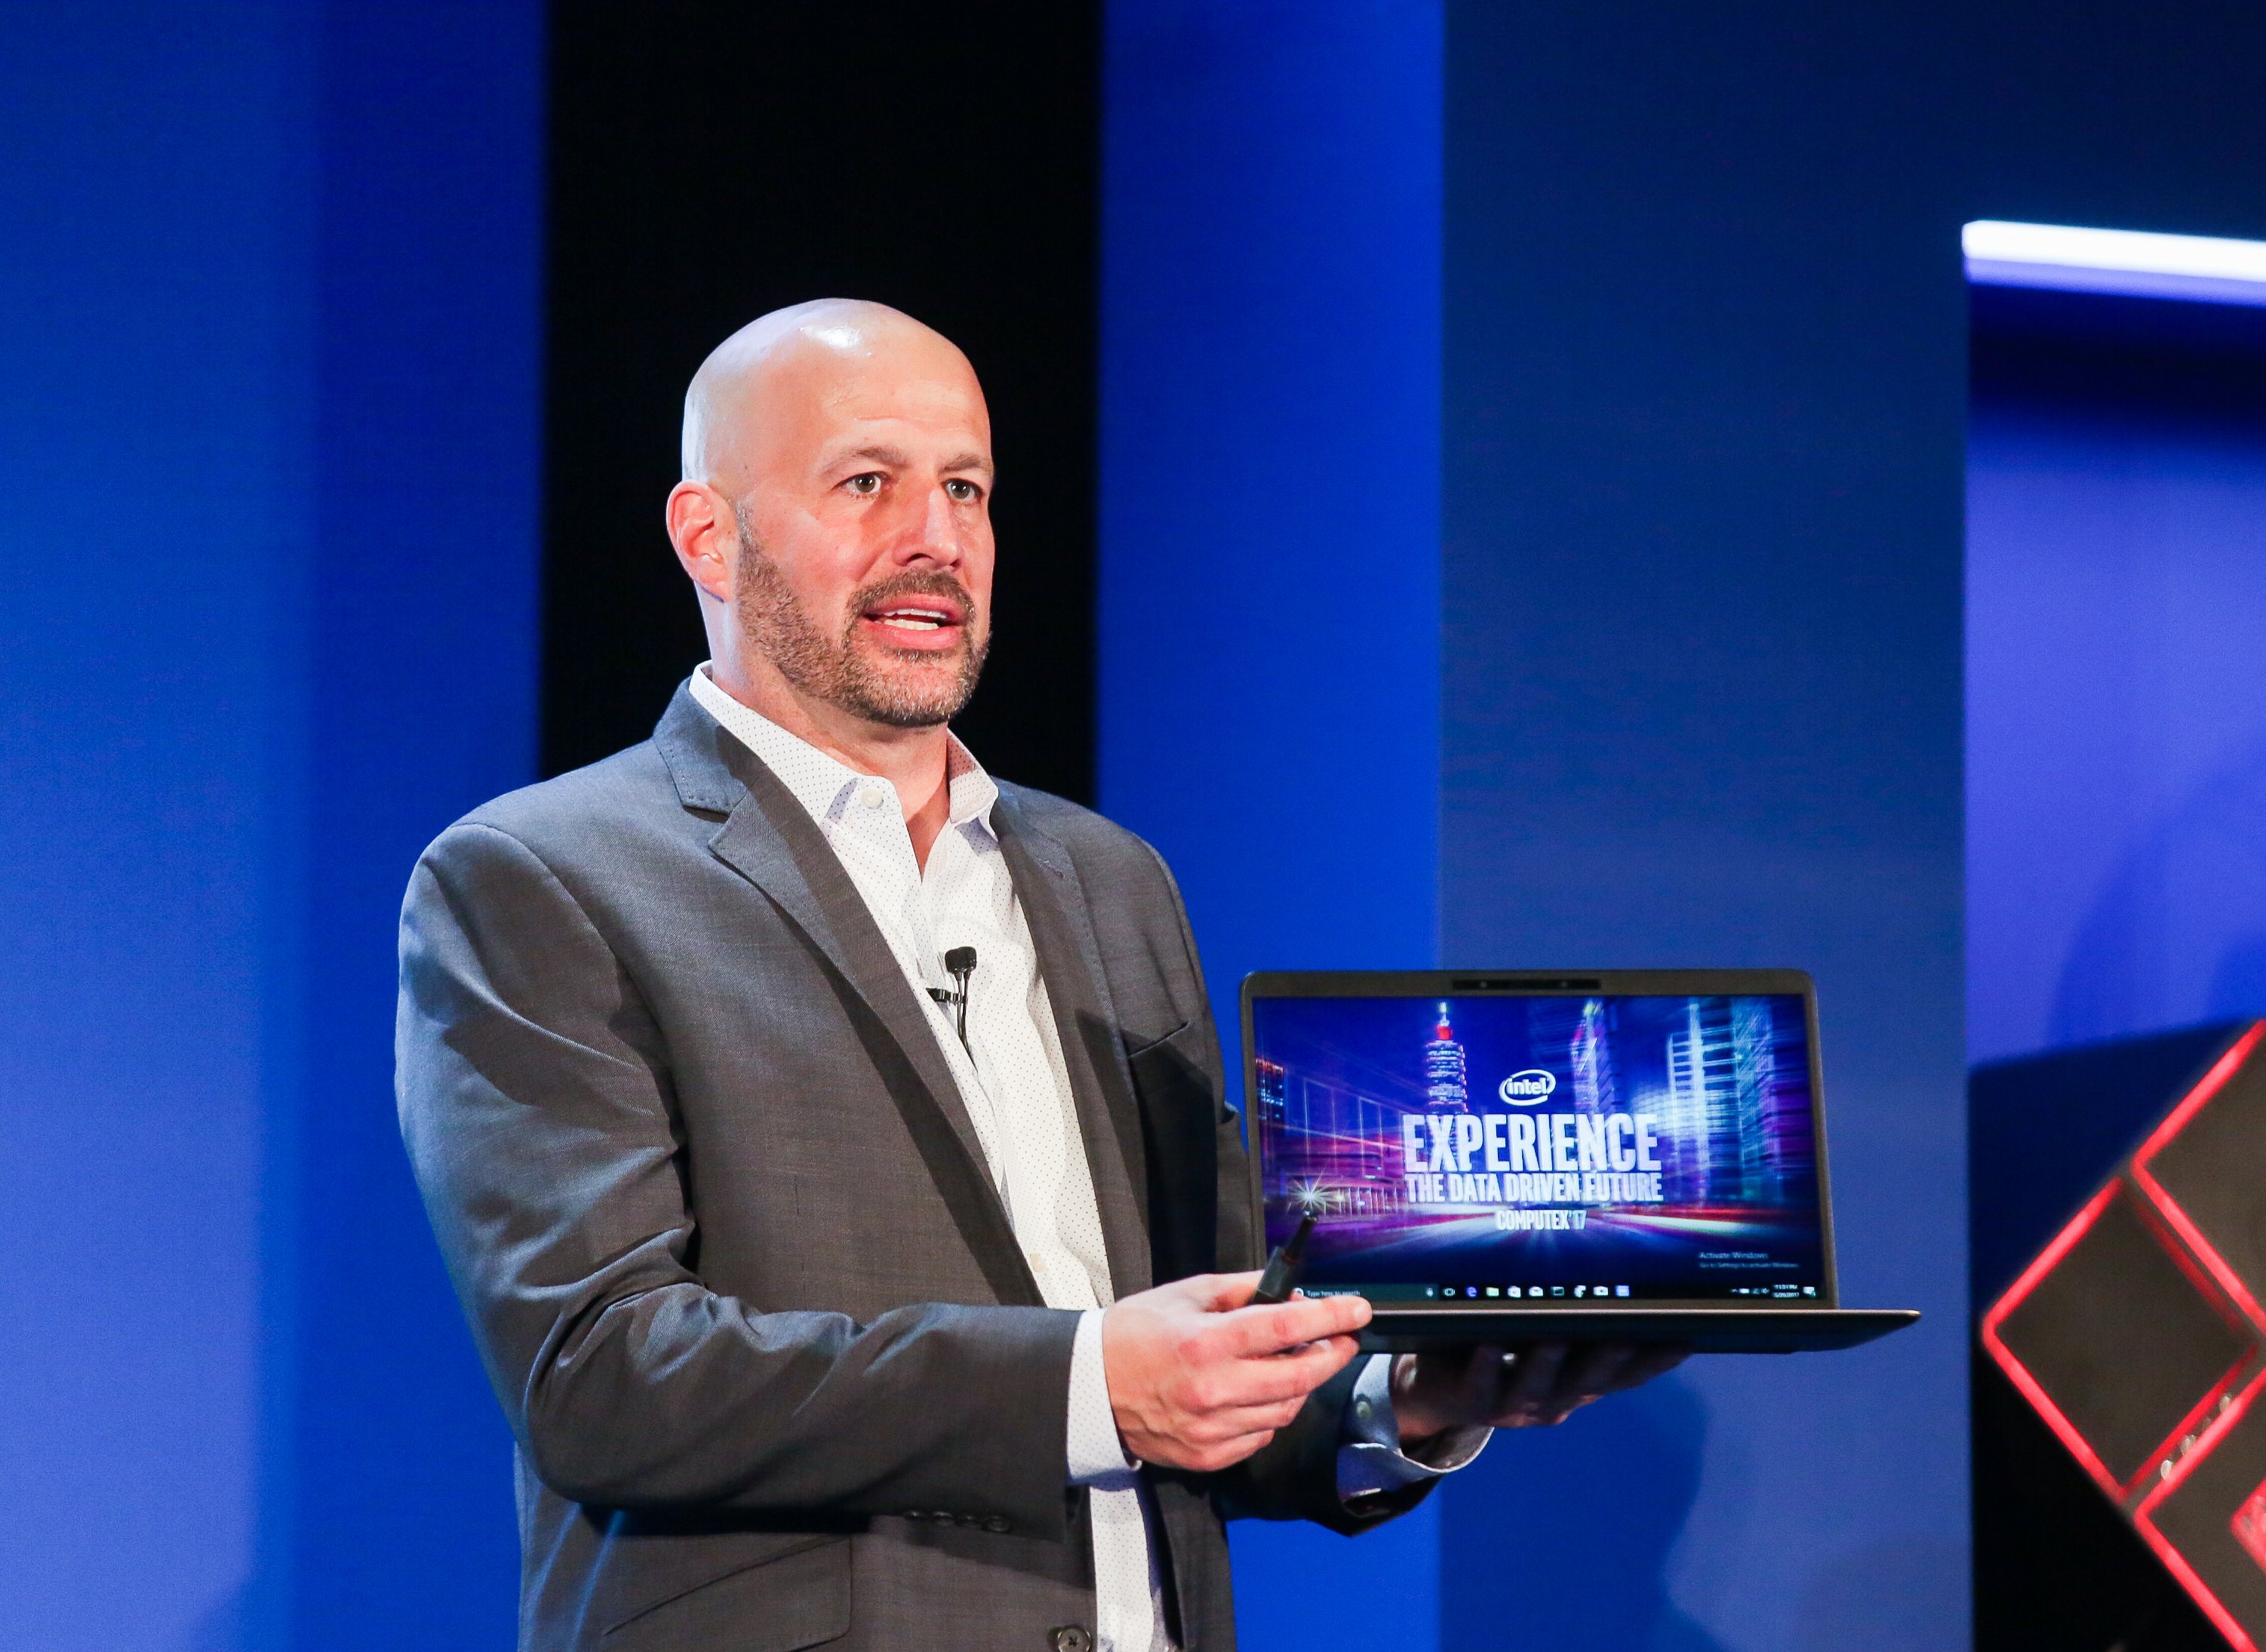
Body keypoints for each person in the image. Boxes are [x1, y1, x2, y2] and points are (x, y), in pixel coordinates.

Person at [396, 300, 1683, 1652]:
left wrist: (1408, 1399)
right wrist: (1090, 1386)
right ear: (708, 536)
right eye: (867, 481)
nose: (936, 538)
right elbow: (601, 1377)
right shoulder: (544, 875)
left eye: (966, 487)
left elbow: (1214, 1334)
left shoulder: (1106, 878)